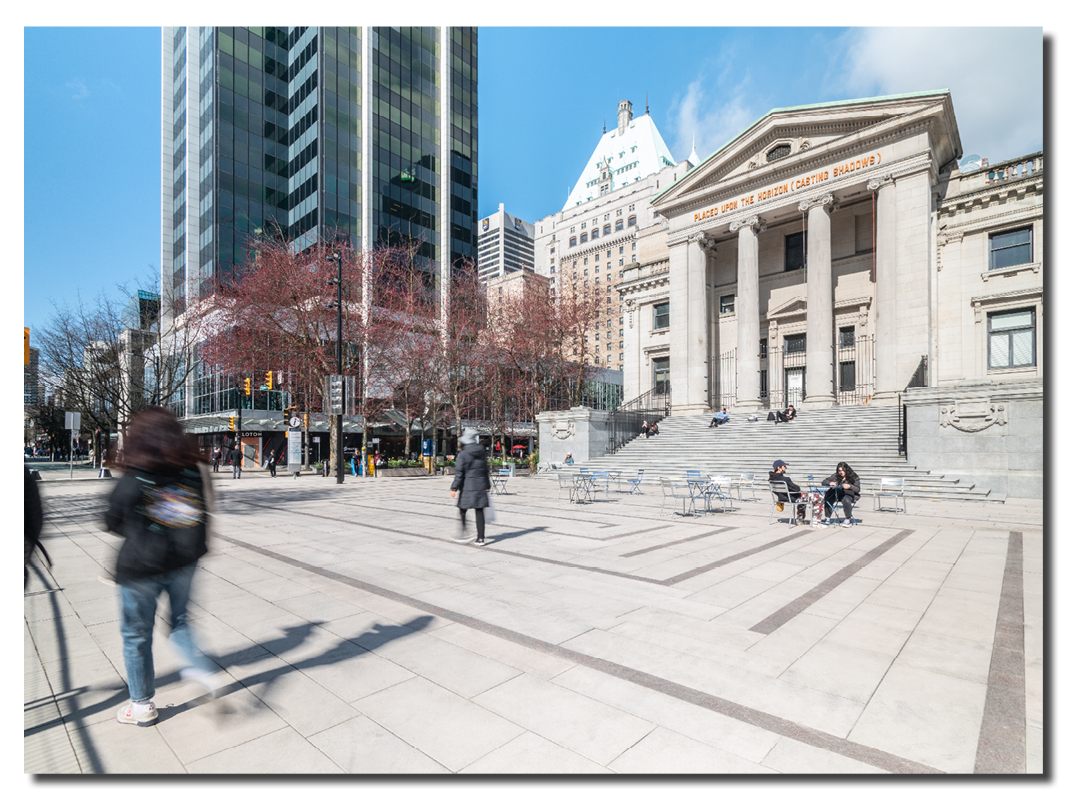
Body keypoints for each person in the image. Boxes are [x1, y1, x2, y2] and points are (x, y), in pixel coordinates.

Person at [102, 407, 223, 726]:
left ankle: (141, 705)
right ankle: (202, 670)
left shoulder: (136, 473)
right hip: (184, 562)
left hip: (140, 568)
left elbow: (110, 521)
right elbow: (203, 510)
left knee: (136, 634)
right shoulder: (192, 470)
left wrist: (141, 525)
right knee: (181, 622)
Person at [450, 428, 490, 546]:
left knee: (462, 510)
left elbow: (459, 472)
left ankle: (464, 533)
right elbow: (485, 470)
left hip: (468, 486)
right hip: (480, 486)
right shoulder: (481, 452)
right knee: (479, 511)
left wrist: (454, 488)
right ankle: (480, 538)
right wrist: (487, 485)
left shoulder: (464, 453)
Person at [768, 459, 823, 524]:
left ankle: (800, 519)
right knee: (818, 497)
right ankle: (816, 521)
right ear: (779, 468)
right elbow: (797, 489)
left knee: (803, 498)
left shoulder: (771, 480)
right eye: (784, 466)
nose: (786, 468)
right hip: (793, 498)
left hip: (783, 498)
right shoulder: (785, 479)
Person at [819, 462, 861, 527]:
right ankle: (827, 517)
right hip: (836, 493)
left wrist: (850, 486)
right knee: (828, 497)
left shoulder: (854, 477)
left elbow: (858, 489)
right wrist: (830, 483)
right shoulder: (835, 475)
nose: (841, 472)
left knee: (846, 499)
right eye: (840, 471)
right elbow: (824, 481)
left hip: (848, 494)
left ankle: (848, 519)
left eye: (843, 470)